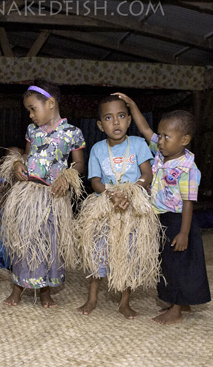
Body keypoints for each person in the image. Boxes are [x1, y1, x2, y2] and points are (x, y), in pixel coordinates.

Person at [121, 92, 211, 324]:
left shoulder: (187, 169)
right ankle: (177, 302)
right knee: (167, 263)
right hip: (161, 219)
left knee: (178, 265)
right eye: (160, 136)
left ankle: (177, 310)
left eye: (166, 137)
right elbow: (144, 129)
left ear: (184, 140)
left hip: (179, 221)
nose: (159, 141)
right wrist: (132, 105)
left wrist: (183, 232)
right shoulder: (161, 155)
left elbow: (189, 202)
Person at [0, 79, 85, 308]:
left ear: (50, 103)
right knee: (25, 242)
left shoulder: (72, 133)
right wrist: (18, 164)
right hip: (30, 195)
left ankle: (45, 293)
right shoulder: (32, 131)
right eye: (28, 110)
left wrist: (67, 177)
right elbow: (28, 157)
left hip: (54, 198)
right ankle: (17, 290)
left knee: (50, 244)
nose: (30, 115)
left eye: (32, 109)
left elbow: (79, 164)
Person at [75, 94, 155, 318]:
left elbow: (147, 174)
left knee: (128, 253)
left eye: (121, 116)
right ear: (100, 125)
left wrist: (130, 192)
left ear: (129, 120)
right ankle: (92, 297)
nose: (116, 122)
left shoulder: (138, 144)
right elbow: (95, 181)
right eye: (109, 118)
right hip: (106, 206)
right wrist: (111, 194)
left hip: (132, 206)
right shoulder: (98, 150)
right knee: (97, 251)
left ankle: (124, 302)